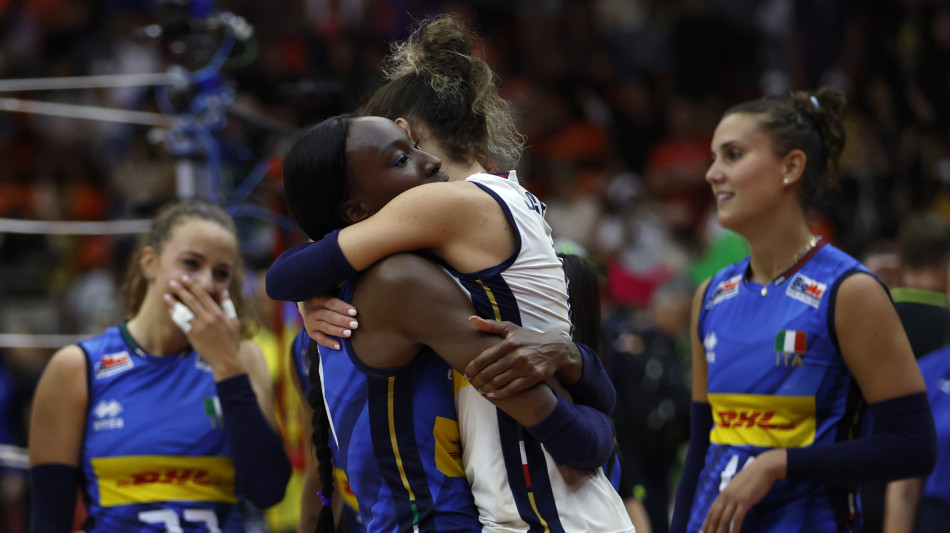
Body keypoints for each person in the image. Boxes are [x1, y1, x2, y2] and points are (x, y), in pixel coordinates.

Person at [279, 16, 624, 532]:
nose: (425, 167)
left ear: (410, 132)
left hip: (543, 514)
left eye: (410, 150)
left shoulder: (446, 213)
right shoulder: (496, 211)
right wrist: (576, 363)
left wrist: (307, 290)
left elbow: (288, 272)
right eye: (400, 159)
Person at [669, 87, 936, 533]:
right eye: (714, 157)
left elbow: (913, 446)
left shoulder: (849, 291)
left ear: (791, 167)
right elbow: (701, 450)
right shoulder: (711, 294)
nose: (713, 173)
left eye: (733, 155)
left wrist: (780, 463)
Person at [28, 200, 292, 532]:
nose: (207, 283)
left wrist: (226, 367)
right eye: (191, 264)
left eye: (221, 273)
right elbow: (49, 520)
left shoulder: (243, 358)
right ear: (150, 262)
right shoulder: (77, 367)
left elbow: (267, 491)